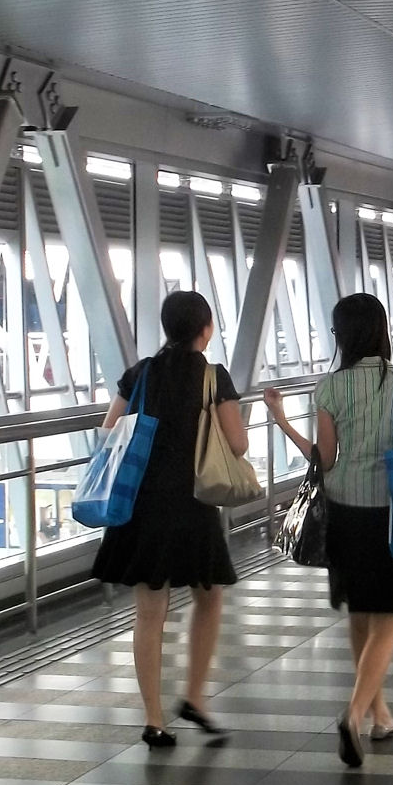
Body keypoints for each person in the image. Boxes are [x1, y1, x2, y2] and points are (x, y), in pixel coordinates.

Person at [263, 293, 393, 768]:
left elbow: (324, 459)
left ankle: (379, 715)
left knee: (361, 611)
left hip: (344, 511)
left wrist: (281, 421)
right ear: (382, 331)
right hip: (392, 511)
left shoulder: (329, 387)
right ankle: (354, 714)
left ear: (341, 336)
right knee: (388, 617)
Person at [93, 290, 246, 747]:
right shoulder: (213, 377)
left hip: (141, 504)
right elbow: (237, 444)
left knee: (149, 612)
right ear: (206, 328)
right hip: (192, 504)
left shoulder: (140, 373)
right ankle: (194, 696)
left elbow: (108, 431)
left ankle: (154, 719)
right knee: (209, 595)